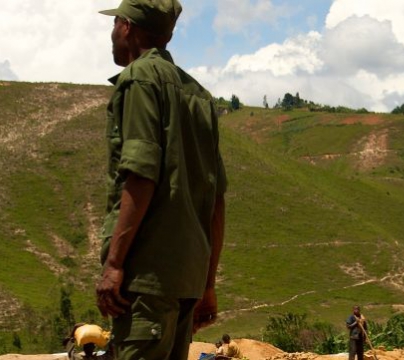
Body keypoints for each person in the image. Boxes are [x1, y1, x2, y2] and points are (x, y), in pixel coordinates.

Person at [95, 0, 227, 359]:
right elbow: (215, 200)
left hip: (146, 279)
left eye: (114, 25)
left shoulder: (139, 79)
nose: (111, 35)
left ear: (126, 26)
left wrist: (115, 264)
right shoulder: (199, 97)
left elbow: (141, 174)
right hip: (186, 282)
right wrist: (208, 284)